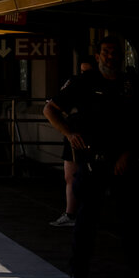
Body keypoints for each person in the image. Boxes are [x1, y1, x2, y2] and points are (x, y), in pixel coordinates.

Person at [42, 37, 139, 278]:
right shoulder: (84, 83)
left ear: (122, 57)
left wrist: (128, 154)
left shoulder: (131, 85)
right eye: (106, 52)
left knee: (133, 224)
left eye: (115, 53)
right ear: (98, 55)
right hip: (94, 163)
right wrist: (69, 134)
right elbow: (50, 110)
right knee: (85, 224)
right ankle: (78, 274)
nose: (110, 57)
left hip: (125, 163)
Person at [50, 55, 98, 227]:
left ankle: (76, 214)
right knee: (71, 175)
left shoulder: (101, 85)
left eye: (89, 71)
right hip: (75, 132)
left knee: (85, 176)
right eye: (83, 71)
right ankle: (72, 213)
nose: (85, 75)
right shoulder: (75, 83)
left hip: (89, 134)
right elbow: (52, 107)